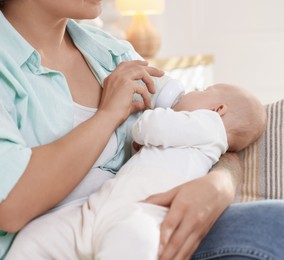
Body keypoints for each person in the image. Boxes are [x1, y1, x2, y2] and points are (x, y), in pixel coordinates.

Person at [0, 1, 284, 259]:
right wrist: (107, 115)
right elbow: (10, 205)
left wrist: (218, 185)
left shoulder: (109, 51)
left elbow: (204, 127)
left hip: (147, 227)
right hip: (57, 243)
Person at [7, 83, 267, 259]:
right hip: (98, 207)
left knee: (135, 241)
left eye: (203, 89)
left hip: (141, 212)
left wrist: (144, 123)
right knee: (37, 235)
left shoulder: (209, 126)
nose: (192, 91)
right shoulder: (200, 134)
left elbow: (151, 127)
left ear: (217, 109)